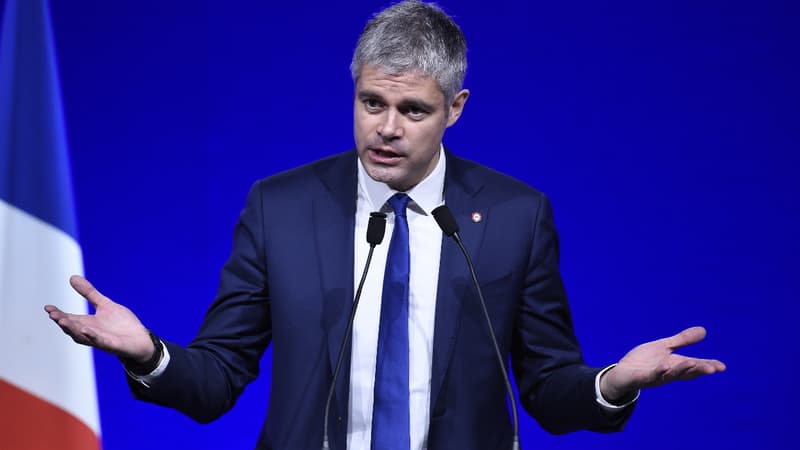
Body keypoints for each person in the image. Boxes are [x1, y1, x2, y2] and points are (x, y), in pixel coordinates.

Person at [45, 1, 725, 449]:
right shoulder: (281, 206)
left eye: (413, 110)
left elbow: (547, 390)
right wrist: (147, 353)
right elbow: (218, 378)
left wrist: (614, 383)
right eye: (371, 102)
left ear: (455, 108)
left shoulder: (515, 215)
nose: (387, 128)